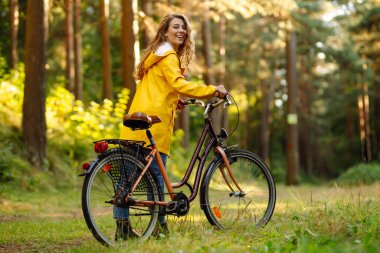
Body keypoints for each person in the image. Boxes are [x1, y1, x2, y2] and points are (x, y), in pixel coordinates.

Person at [115, 13, 227, 240]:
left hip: (136, 121)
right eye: (176, 27)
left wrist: (176, 101)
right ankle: (159, 228)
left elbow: (160, 88)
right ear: (165, 31)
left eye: (184, 27)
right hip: (154, 125)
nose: (181, 30)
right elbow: (178, 84)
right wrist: (212, 89)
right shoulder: (168, 55)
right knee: (156, 179)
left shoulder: (155, 56)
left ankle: (124, 228)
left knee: (126, 181)